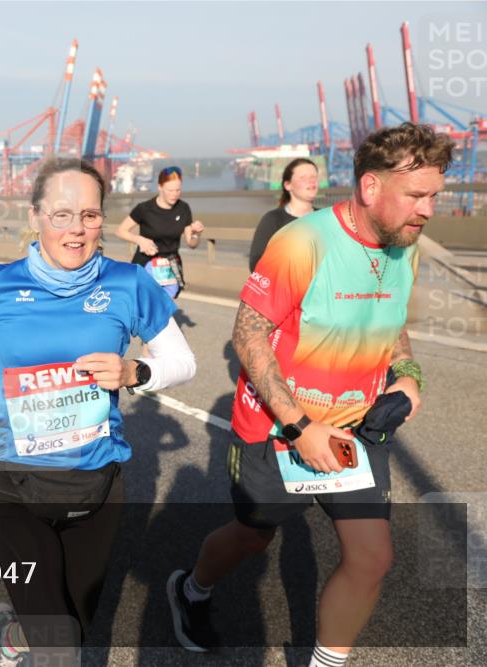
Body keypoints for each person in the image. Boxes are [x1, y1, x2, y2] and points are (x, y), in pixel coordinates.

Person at [166, 123, 451, 665]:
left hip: (357, 429)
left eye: (435, 195)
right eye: (417, 195)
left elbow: (391, 322)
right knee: (254, 537)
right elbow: (247, 333)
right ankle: (191, 589)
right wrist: (301, 427)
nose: (428, 209)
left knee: (372, 558)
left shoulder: (404, 242)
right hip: (279, 429)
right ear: (370, 188)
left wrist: (408, 373)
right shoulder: (303, 241)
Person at [0, 158, 197, 665]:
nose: (77, 230)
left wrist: (134, 373)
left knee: (74, 623)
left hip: (95, 486)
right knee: (61, 650)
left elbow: (182, 362)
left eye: (91, 216)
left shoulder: (129, 284)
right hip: (13, 483)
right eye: (61, 215)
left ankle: (9, 636)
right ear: (35, 217)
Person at [114, 166, 205, 299]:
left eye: (178, 190)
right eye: (170, 190)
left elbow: (191, 243)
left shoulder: (183, 208)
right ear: (160, 187)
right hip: (146, 262)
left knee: (166, 309)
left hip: (170, 264)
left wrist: (197, 233)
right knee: (143, 305)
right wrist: (140, 240)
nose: (174, 194)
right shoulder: (144, 209)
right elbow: (120, 231)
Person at [248, 158, 320, 271]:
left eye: (314, 177)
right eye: (303, 178)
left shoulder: (325, 218)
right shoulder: (273, 220)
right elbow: (256, 263)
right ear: (288, 185)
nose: (311, 181)